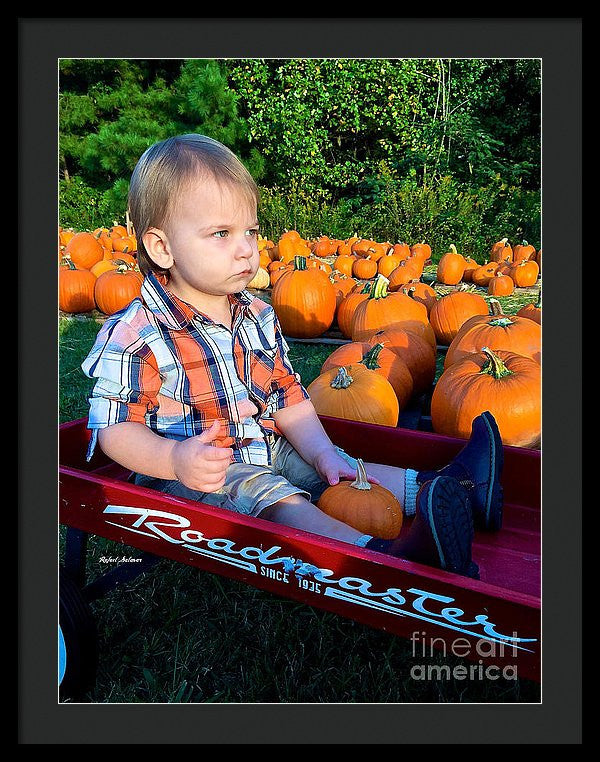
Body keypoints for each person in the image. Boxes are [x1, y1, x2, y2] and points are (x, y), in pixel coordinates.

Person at [81, 133, 504, 580]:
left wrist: (323, 452)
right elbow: (115, 430)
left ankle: (459, 490)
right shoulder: (137, 333)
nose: (246, 248)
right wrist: (174, 460)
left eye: (251, 231)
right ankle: (382, 558)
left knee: (337, 467)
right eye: (221, 234)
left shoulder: (257, 313)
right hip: (194, 474)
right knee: (275, 496)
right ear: (162, 247)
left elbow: (286, 396)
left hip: (266, 444)